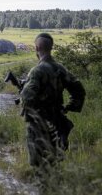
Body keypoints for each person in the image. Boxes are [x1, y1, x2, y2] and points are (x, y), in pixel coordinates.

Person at [20, 33, 86, 171]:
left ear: (37, 48)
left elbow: (27, 98)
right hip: (57, 121)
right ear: (51, 47)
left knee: (38, 164)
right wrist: (68, 107)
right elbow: (79, 90)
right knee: (54, 160)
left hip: (39, 124)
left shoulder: (36, 71)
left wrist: (30, 112)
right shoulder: (60, 69)